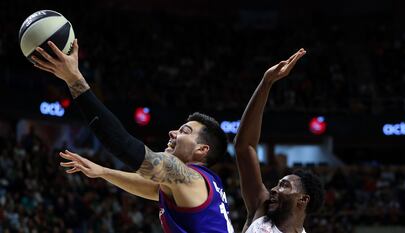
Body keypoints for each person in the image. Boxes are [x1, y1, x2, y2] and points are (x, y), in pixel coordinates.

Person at [31, 40, 234, 233]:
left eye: (185, 131)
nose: (173, 132)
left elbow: (122, 144)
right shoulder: (204, 184)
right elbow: (153, 189)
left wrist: (74, 79)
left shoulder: (186, 176)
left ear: (202, 149)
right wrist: (102, 171)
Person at [233, 49, 324, 233]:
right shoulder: (262, 209)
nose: (274, 189)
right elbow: (245, 147)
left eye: (284, 186)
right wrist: (266, 82)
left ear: (303, 199)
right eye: (278, 183)